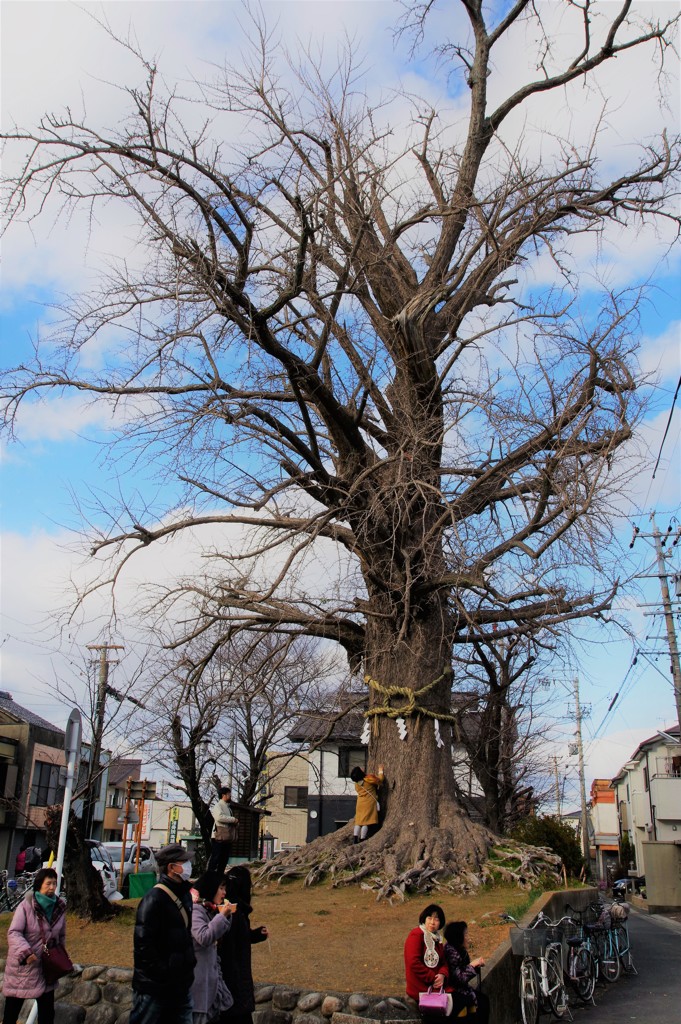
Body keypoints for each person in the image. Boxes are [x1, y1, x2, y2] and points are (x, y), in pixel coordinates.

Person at [130, 843, 197, 1024]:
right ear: (171, 867)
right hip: (155, 987)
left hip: (181, 984)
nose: (188, 866)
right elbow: (144, 946)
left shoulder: (185, 894)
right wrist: (163, 972)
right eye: (184, 862)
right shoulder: (154, 899)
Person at [2, 867, 67, 1024]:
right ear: (39, 885)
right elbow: (14, 933)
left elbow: (61, 936)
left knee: (47, 1014)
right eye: (48, 883)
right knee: (11, 1013)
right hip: (24, 967)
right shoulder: (25, 906)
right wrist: (26, 952)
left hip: (46, 968)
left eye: (54, 883)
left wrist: (60, 956)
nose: (52, 887)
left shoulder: (59, 907)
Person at [217, 865, 268, 1024]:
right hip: (235, 978)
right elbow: (231, 941)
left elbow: (239, 938)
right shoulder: (233, 910)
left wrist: (255, 935)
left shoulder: (231, 908)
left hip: (232, 977)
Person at [189, 871, 236, 1024]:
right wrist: (222, 916)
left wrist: (225, 915)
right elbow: (204, 937)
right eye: (221, 888)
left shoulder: (209, 910)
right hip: (198, 994)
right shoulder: (196, 910)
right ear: (210, 888)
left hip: (211, 990)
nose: (224, 892)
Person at [404, 903, 453, 1017]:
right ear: (424, 919)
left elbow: (443, 962)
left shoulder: (436, 938)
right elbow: (413, 962)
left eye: (436, 919)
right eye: (429, 918)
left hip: (435, 984)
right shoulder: (416, 935)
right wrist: (432, 978)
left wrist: (442, 974)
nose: (432, 922)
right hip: (421, 986)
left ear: (440, 923)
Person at [443, 921, 489, 1024]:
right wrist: (472, 965)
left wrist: (475, 966)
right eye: (466, 934)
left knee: (484, 1001)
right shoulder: (452, 953)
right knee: (482, 1003)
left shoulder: (459, 950)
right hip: (454, 992)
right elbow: (458, 978)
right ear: (459, 937)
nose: (468, 937)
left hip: (461, 989)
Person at [349, 764, 384, 842]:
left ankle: (355, 838)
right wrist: (380, 771)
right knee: (366, 822)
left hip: (360, 804)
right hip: (368, 803)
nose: (362, 769)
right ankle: (362, 838)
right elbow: (380, 780)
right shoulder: (368, 780)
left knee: (358, 822)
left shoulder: (356, 784)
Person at [208, 787, 239, 874]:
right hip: (218, 836)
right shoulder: (218, 805)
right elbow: (219, 817)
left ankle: (219, 875)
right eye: (229, 794)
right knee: (216, 857)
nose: (230, 796)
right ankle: (210, 876)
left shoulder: (228, 807)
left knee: (224, 858)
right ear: (223, 795)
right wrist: (233, 819)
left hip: (226, 837)